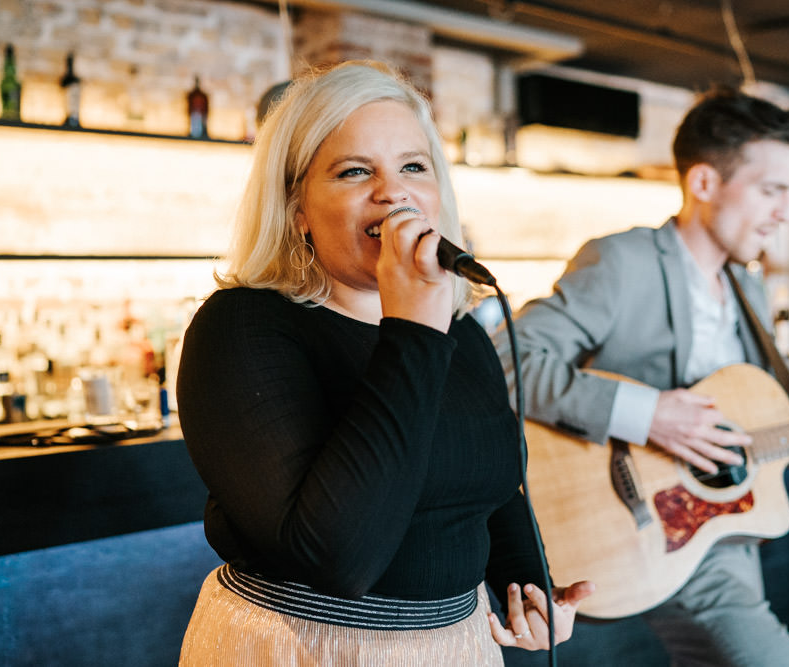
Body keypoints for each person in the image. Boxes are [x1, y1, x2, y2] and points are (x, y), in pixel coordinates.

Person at [175, 60, 594, 666]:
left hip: (461, 645)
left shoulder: (461, 333)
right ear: (297, 209)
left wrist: (526, 585)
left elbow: (495, 485)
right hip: (302, 648)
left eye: (413, 167)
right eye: (353, 171)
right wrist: (413, 326)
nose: (392, 192)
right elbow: (337, 556)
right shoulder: (242, 326)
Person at [493, 86, 789, 666]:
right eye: (772, 190)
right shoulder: (624, 262)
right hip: (647, 525)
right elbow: (506, 360)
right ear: (703, 184)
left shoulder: (747, 288)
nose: (787, 213)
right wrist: (650, 415)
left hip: (726, 528)